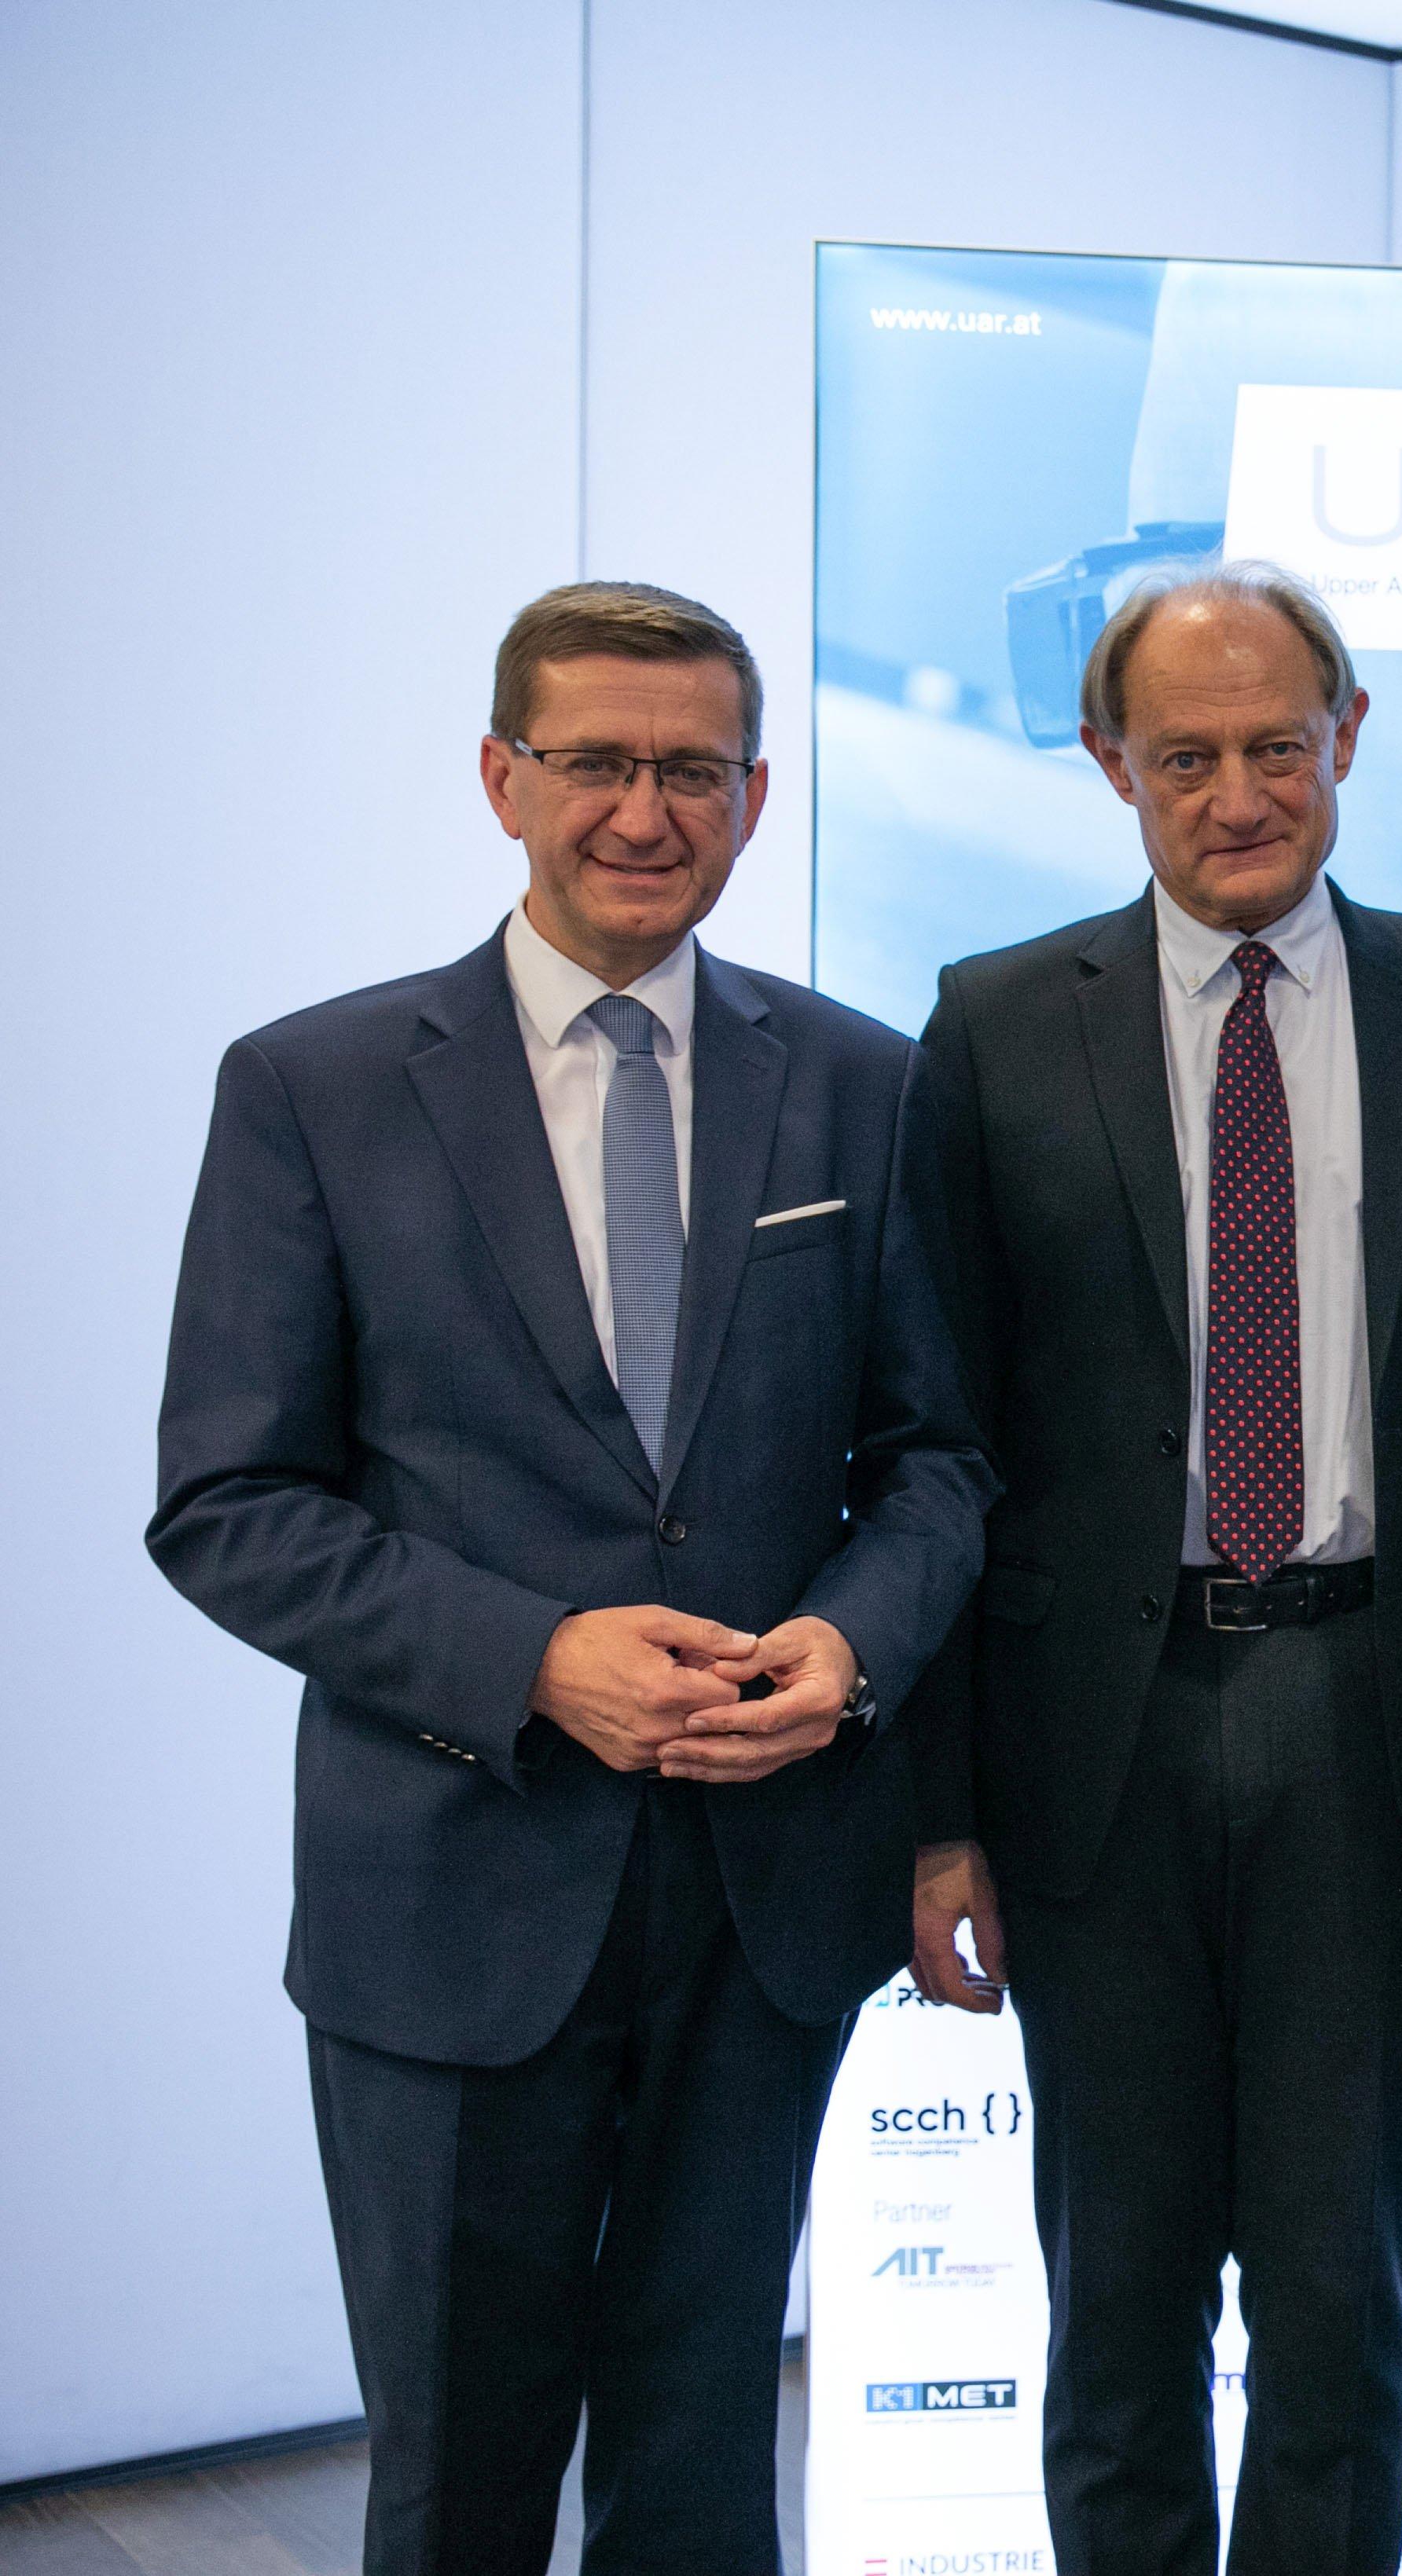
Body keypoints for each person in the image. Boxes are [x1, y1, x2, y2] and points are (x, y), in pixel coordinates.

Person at [147, 583, 993, 2574]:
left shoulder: (863, 1081)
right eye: (597, 760)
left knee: (701, 2475)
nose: (643, 810)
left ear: (756, 797)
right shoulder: (317, 1085)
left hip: (764, 1896)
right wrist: (535, 1657)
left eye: (693, 769)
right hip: (454, 1892)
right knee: (459, 2476)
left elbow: (940, 1457)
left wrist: (853, 1644)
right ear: (501, 776)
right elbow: (227, 1500)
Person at [904, 564, 1402, 2576]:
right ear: (1109, 761)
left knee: (1337, 2295)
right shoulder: (996, 1022)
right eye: (1184, 754)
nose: (1237, 794)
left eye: (1277, 744)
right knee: (1116, 2302)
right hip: (1090, 1745)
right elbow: (935, 1445)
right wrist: (936, 1814)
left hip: (1374, 1715)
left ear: (1347, 736)